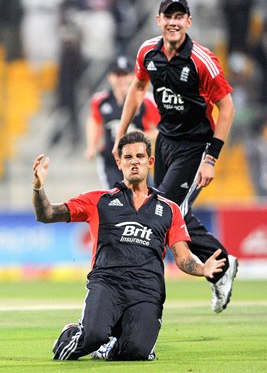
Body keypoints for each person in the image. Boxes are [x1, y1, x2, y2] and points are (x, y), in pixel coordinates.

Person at [32, 131, 226, 361]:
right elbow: (48, 214)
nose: (134, 161)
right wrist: (38, 189)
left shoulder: (169, 209)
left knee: (138, 352)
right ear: (119, 162)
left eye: (140, 156)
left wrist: (202, 268)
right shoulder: (99, 200)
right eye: (128, 157)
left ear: (150, 162)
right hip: (107, 285)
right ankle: (71, 334)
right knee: (92, 336)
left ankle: (113, 344)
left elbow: (183, 256)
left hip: (147, 291)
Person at [112, 0, 238, 314]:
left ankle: (219, 268)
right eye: (168, 16)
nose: (173, 21)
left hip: (195, 144)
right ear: (159, 20)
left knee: (169, 211)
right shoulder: (147, 51)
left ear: (188, 22)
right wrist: (121, 133)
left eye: (179, 16)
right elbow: (138, 89)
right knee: (171, 208)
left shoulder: (202, 60)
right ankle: (224, 263)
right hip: (166, 141)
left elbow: (227, 108)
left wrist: (211, 158)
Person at [85, 55, 160, 188]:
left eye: (125, 74)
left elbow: (162, 130)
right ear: (110, 76)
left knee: (142, 199)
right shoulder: (101, 101)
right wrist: (92, 145)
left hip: (137, 160)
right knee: (114, 199)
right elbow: (94, 121)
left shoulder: (146, 100)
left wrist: (143, 135)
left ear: (133, 76)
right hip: (111, 161)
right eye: (117, 74)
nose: (121, 79)